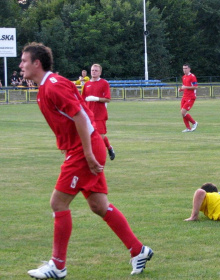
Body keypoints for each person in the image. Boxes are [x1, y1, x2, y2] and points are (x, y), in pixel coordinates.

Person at [19, 42, 153, 279]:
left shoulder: (52, 86)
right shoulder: (47, 87)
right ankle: (138, 250)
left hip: (84, 150)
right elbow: (74, 117)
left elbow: (80, 116)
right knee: (99, 206)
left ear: (36, 63)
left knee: (58, 204)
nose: (21, 65)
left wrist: (88, 153)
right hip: (84, 147)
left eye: (24, 60)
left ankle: (58, 266)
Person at [82, 64, 116, 160]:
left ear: (100, 72)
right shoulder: (87, 84)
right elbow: (82, 100)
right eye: (93, 70)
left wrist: (96, 98)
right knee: (89, 136)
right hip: (89, 115)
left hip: (100, 114)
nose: (94, 72)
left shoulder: (104, 83)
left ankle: (108, 149)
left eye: (96, 70)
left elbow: (108, 99)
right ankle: (102, 150)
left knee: (100, 136)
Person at [179, 64, 198, 132]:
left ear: (189, 69)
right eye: (183, 68)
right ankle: (188, 128)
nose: (184, 70)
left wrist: (185, 87)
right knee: (183, 113)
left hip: (191, 97)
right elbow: (184, 86)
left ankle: (194, 123)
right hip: (184, 96)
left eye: (186, 68)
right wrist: (181, 89)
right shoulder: (183, 77)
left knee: (183, 112)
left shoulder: (192, 76)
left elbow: (196, 87)